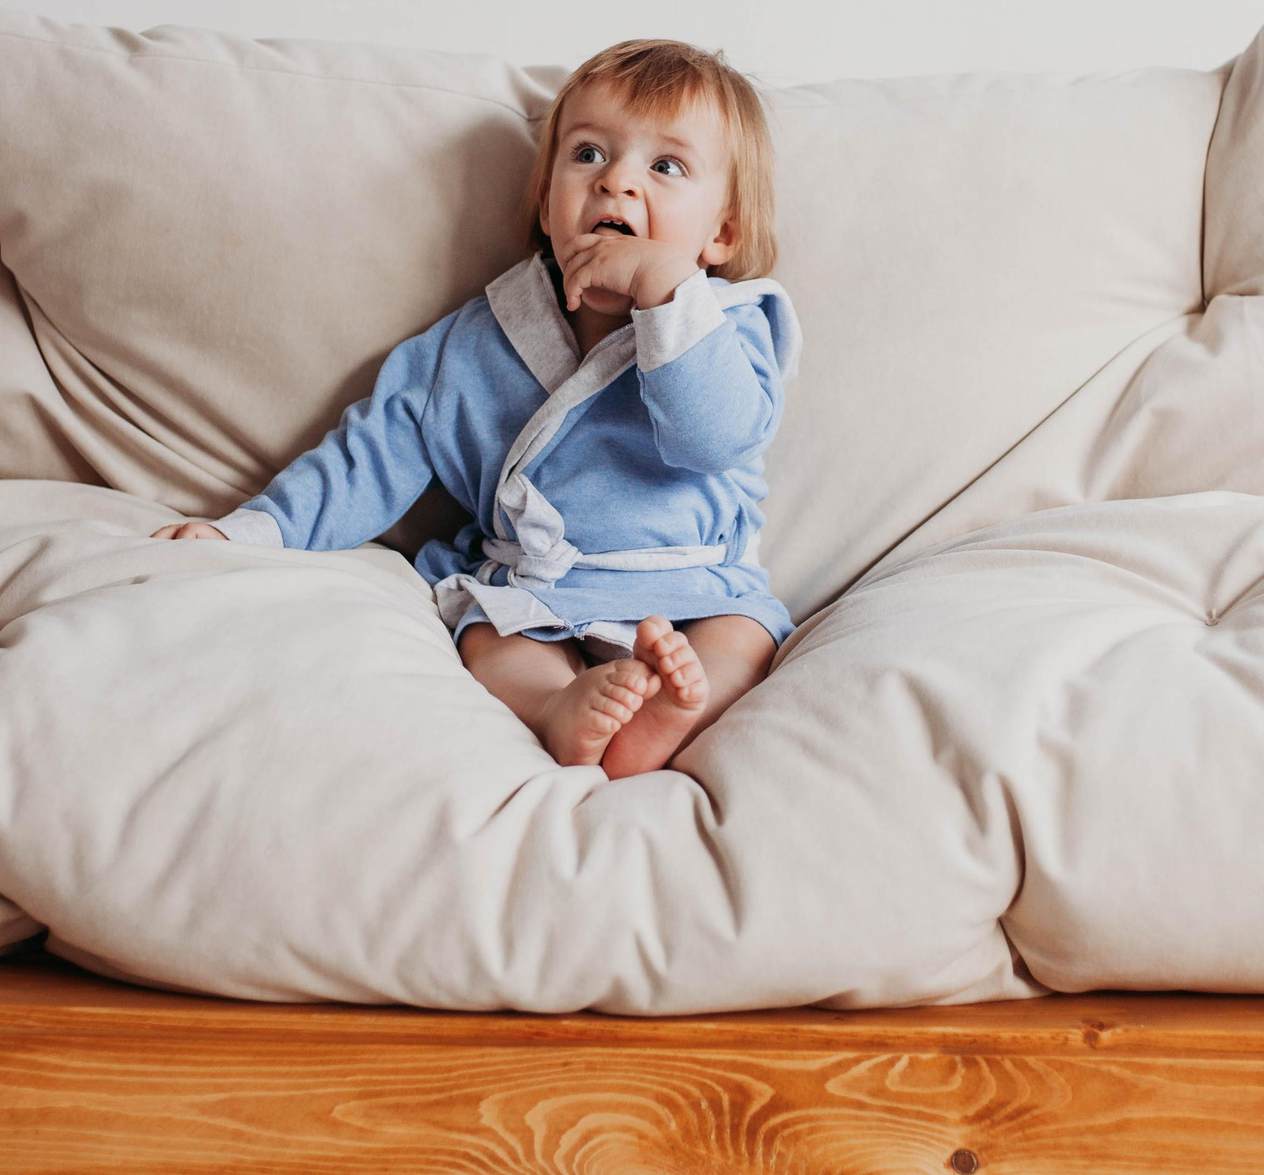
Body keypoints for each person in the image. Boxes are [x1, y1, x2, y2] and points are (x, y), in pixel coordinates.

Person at [153, 40, 799, 779]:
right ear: (544, 196)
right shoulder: (481, 339)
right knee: (492, 641)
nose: (617, 181)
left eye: (666, 166)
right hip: (538, 587)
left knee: (741, 641)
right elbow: (374, 454)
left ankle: (677, 707)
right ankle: (562, 707)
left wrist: (665, 288)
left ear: (721, 233)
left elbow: (712, 437)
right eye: (588, 154)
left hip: (690, 588)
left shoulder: (728, 326)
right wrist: (253, 530)